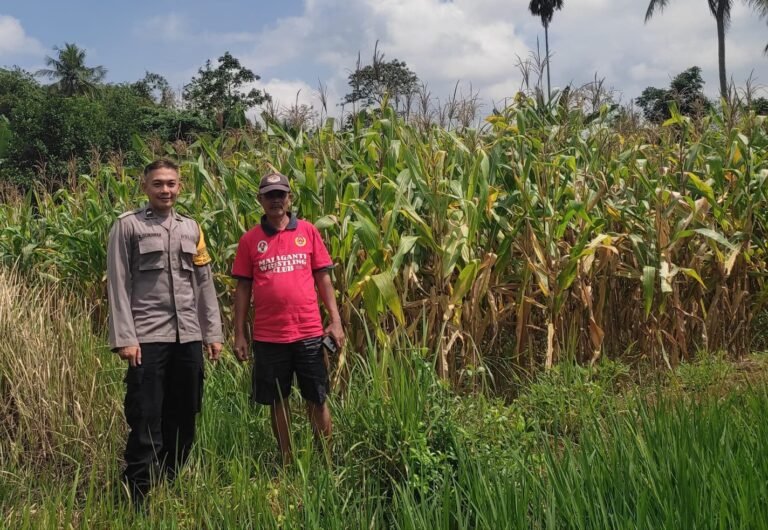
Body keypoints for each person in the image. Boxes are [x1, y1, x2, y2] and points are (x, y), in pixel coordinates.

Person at [106, 159, 223, 505]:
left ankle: (170, 487)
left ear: (180, 186)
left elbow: (204, 283)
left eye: (171, 183)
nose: (165, 190)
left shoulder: (192, 229)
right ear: (145, 187)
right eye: (157, 184)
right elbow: (118, 284)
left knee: (185, 415)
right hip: (147, 338)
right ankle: (137, 496)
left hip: (188, 338)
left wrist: (212, 333)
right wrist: (125, 337)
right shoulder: (128, 226)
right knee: (146, 417)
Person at [232, 171, 344, 463]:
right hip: (269, 337)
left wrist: (335, 321)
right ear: (260, 200)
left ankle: (326, 461)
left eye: (280, 195)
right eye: (270, 196)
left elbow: (323, 279)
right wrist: (239, 333)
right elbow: (242, 289)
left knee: (316, 398)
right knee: (277, 401)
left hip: (309, 333)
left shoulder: (308, 231)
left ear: (289, 198)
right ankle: (287, 462)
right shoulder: (249, 240)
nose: (276, 200)